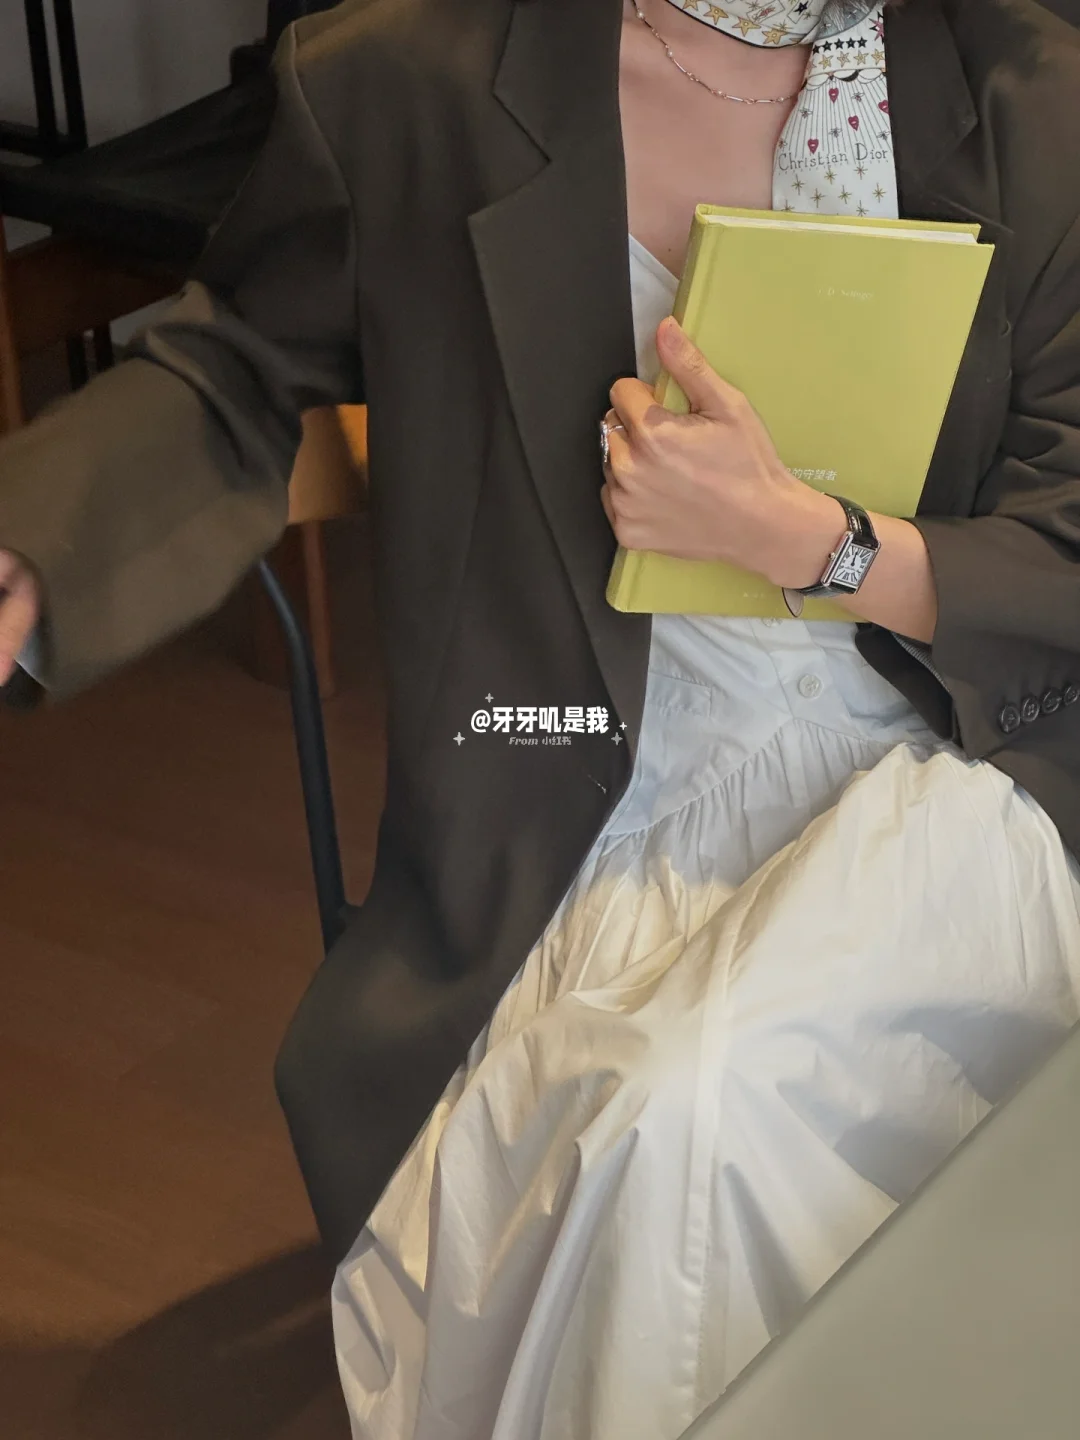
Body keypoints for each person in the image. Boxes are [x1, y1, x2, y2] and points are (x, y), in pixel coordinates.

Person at [1, 0, 1079, 1435]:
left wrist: (817, 545)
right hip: (577, 788)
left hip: (955, 754)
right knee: (649, 1127)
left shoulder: (1028, 92)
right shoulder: (410, 80)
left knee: (702, 1110)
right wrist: (32, 547)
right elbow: (229, 372)